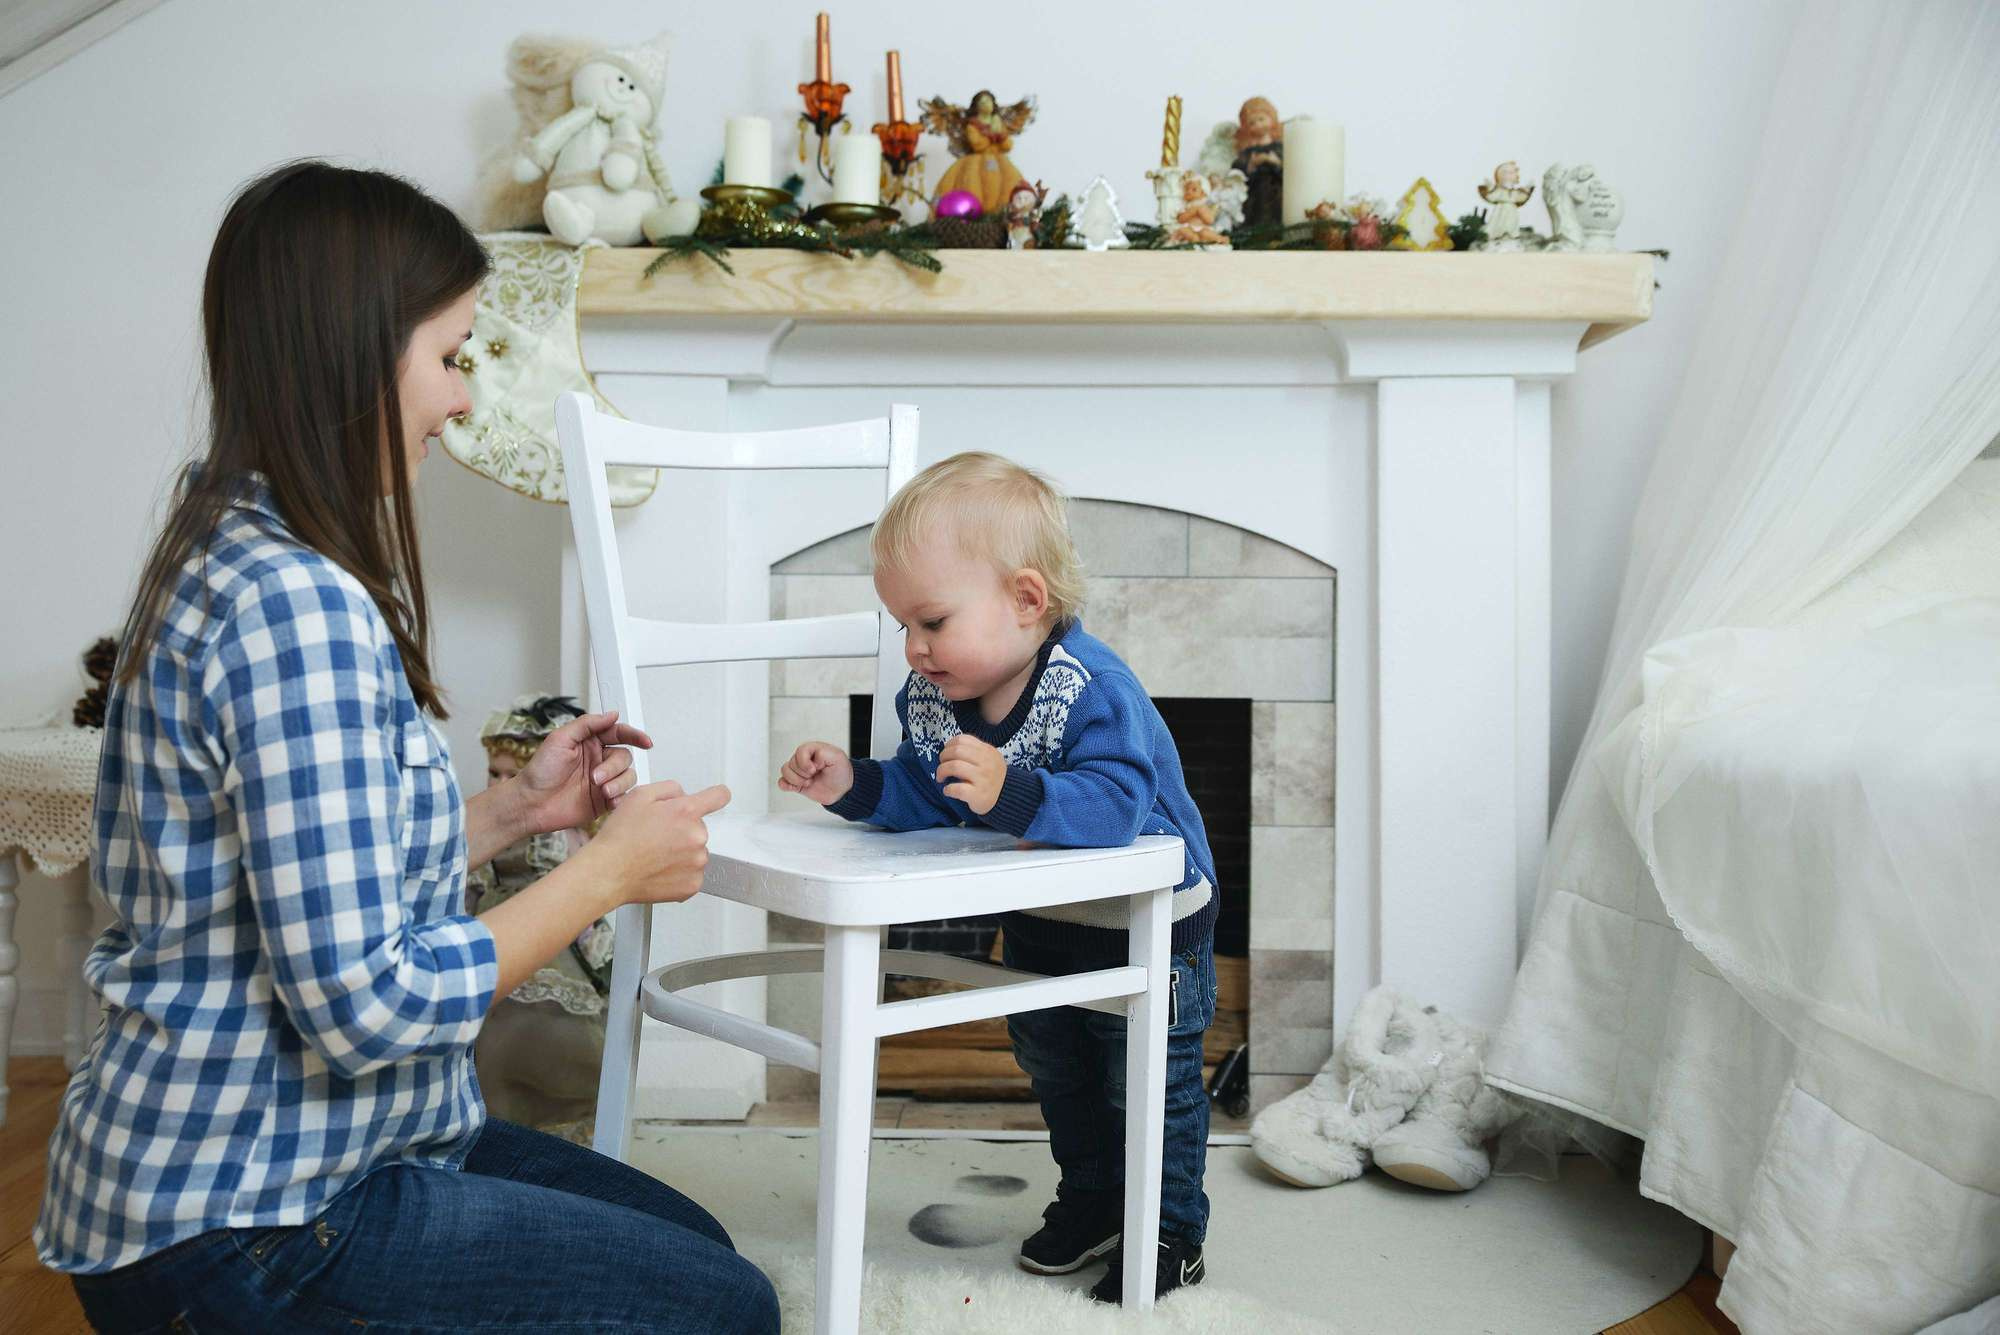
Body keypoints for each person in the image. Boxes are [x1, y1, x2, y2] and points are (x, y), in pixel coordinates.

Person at [35, 160, 775, 1334]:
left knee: (692, 1256)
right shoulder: (295, 605)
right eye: (448, 356)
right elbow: (366, 1006)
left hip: (309, 1163)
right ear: (349, 356)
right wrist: (602, 878)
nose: (463, 400)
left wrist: (513, 815)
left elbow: (292, 862)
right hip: (248, 1223)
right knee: (720, 1310)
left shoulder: (226, 533)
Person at [778, 452, 1219, 1304]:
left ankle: (1170, 1229)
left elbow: (1117, 807)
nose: (913, 646)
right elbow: (924, 788)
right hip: (1042, 927)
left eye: (932, 620)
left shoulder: (1091, 689)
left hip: (1148, 926)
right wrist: (856, 784)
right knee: (1060, 1076)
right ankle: (1092, 1197)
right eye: (902, 624)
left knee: (1148, 1089)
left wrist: (1011, 790)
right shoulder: (936, 695)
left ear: (1025, 599)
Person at [468, 694, 615, 1138]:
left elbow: (582, 890)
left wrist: (599, 954)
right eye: (495, 773)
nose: (500, 783)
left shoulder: (563, 833)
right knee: (493, 1052)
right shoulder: (485, 826)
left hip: (554, 944)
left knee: (558, 1042)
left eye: (513, 775)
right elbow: (474, 883)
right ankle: (496, 1132)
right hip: (499, 937)